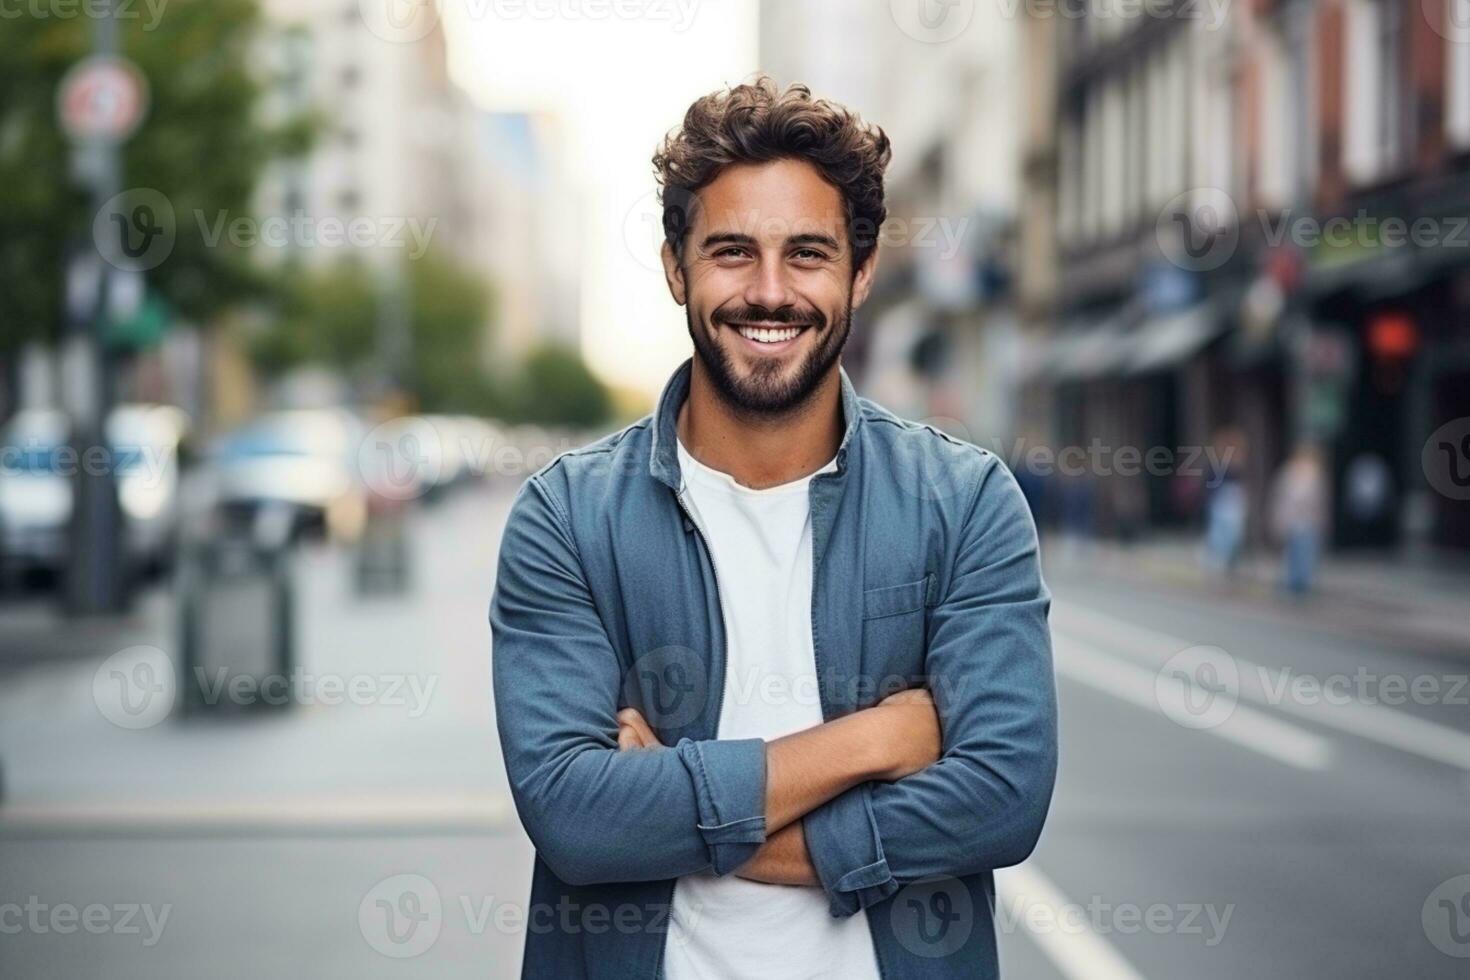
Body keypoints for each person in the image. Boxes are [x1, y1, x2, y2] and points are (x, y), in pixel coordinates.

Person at [490, 76, 1057, 980]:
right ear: (677, 267)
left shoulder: (966, 502)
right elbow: (575, 817)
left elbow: (1002, 800)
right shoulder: (568, 517)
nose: (768, 292)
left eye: (806, 254)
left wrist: (675, 817)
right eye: (730, 252)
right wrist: (873, 742)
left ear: (859, 273)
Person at [1270, 443, 1329, 594]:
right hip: (1292, 521)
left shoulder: (1316, 475)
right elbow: (1280, 499)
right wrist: (1277, 520)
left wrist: (1322, 521)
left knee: (1306, 553)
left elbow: (1321, 501)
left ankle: (1303, 583)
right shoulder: (1288, 473)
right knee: (1292, 554)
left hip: (1308, 522)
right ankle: (1293, 583)